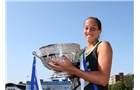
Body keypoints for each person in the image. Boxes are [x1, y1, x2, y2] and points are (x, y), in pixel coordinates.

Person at [49, 16, 113, 90]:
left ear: (99, 31)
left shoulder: (102, 46)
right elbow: (77, 80)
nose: (89, 31)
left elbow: (103, 80)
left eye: (93, 28)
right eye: (86, 28)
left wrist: (72, 69)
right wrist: (65, 70)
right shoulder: (80, 52)